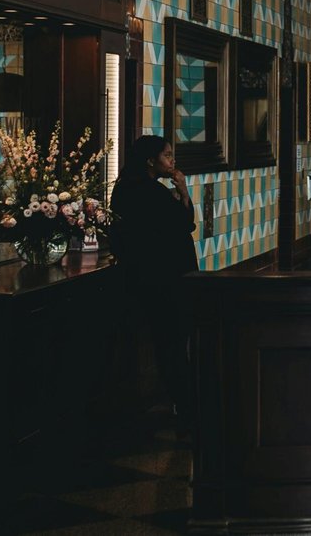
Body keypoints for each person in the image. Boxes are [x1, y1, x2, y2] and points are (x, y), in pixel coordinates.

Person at [109, 135, 198, 418]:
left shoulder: (126, 189)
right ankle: (185, 408)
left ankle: (180, 405)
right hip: (165, 280)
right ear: (151, 160)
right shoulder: (151, 192)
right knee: (172, 345)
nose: (172, 161)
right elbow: (184, 224)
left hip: (146, 278)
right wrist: (183, 191)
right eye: (167, 155)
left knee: (166, 345)